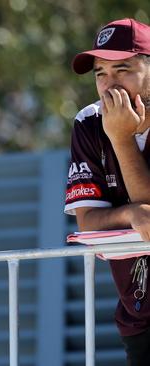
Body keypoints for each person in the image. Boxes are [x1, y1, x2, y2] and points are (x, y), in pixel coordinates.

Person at [65, 18, 150, 365]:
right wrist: (130, 214)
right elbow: (88, 223)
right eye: (101, 73)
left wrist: (120, 138)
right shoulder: (88, 122)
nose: (109, 85)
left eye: (123, 69)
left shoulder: (108, 127)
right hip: (138, 315)